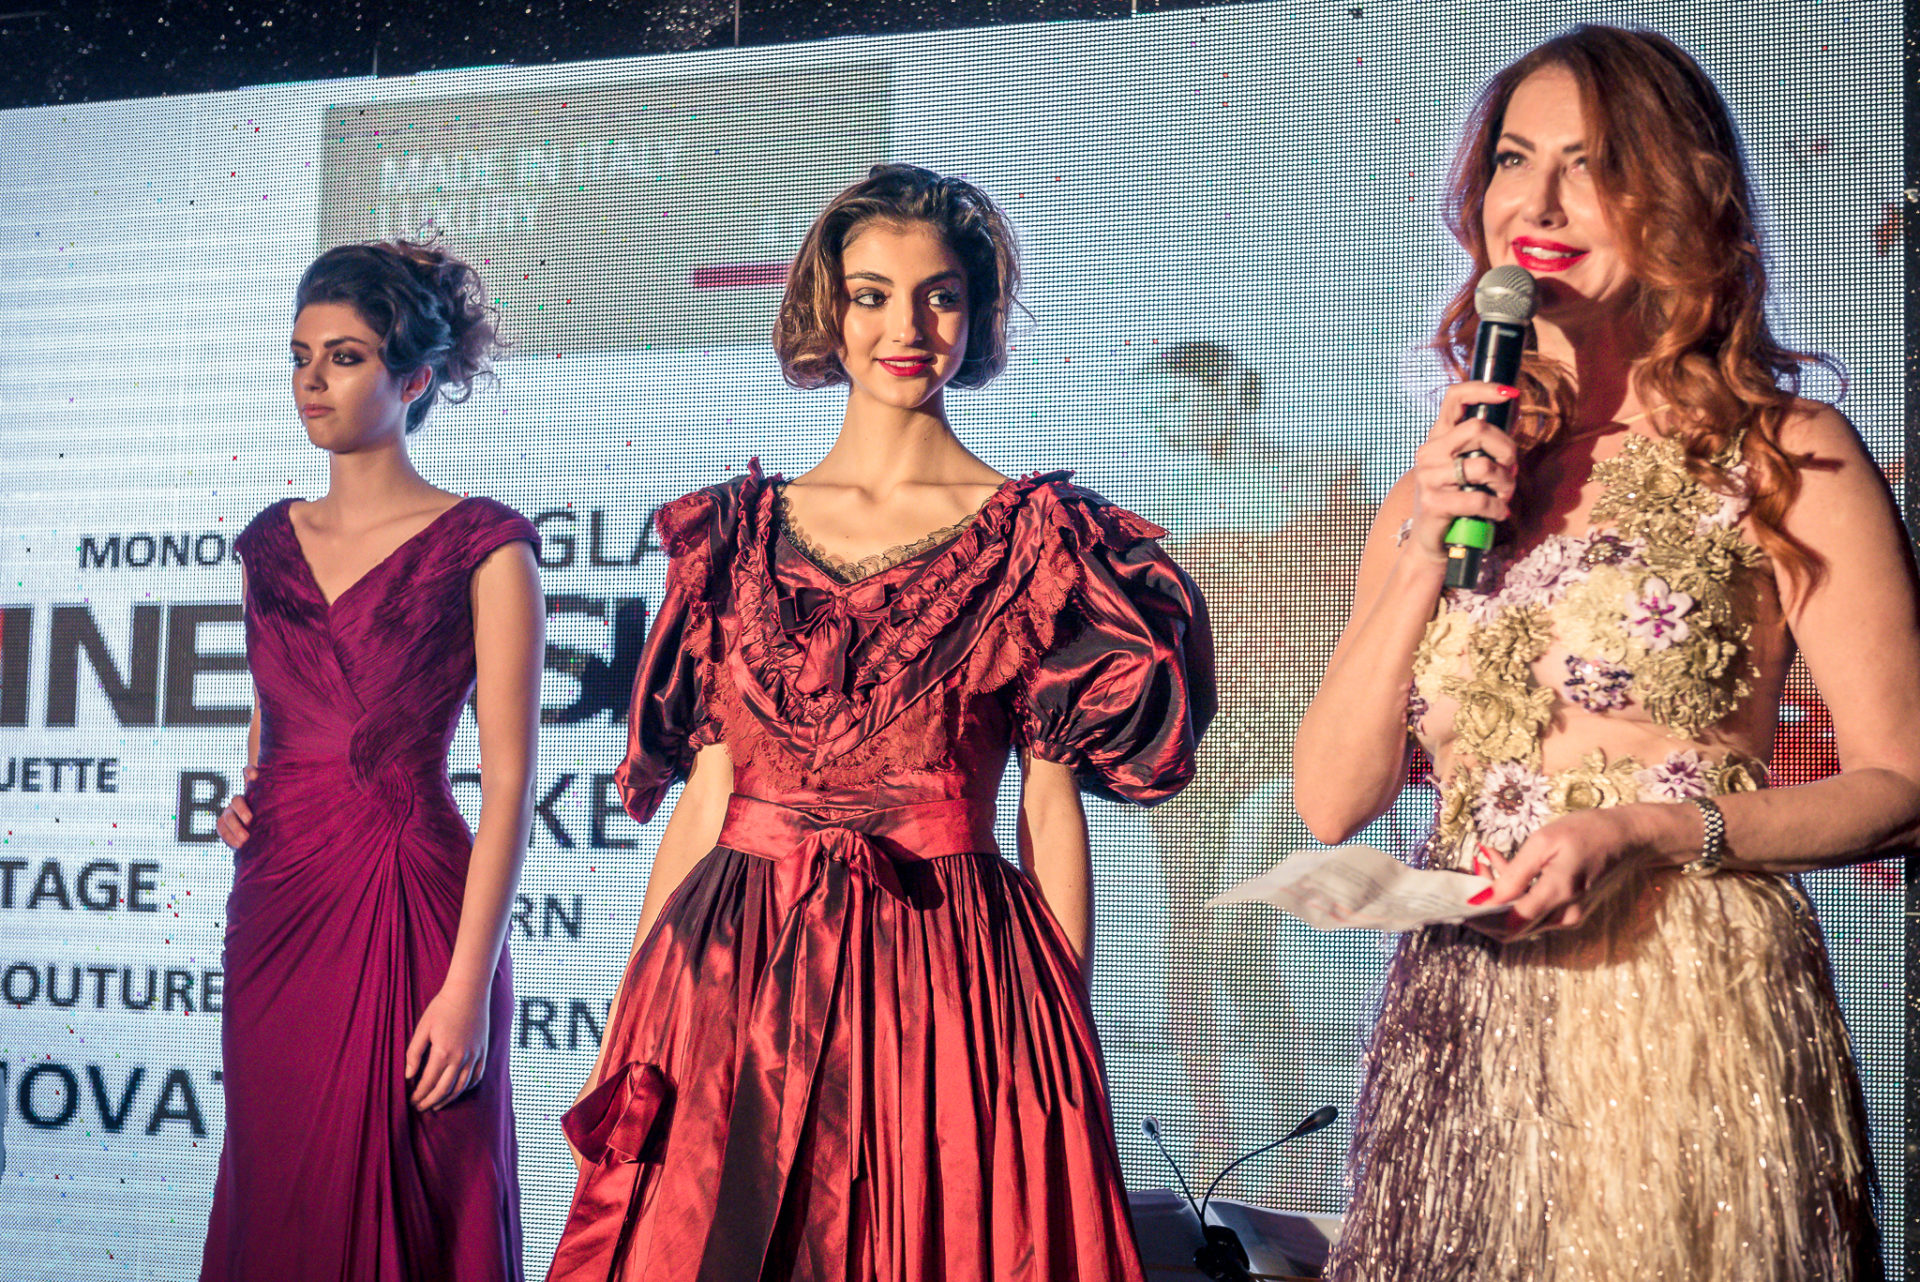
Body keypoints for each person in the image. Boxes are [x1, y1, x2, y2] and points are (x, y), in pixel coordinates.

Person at [1295, 26, 1905, 1279]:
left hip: (1687, 1003)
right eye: (1515, 161)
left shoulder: (1787, 454)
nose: (1540, 203)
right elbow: (1331, 798)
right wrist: (1420, 545)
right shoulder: (1439, 479)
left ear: (1679, 195)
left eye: (1592, 164)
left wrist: (1649, 829)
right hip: (1467, 1016)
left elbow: (1905, 782)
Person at [546, 163, 1213, 1281]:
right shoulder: (735, 534)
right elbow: (709, 793)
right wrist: (631, 1026)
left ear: (976, 313)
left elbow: (1050, 806)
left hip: (950, 974)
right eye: (872, 295)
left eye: (939, 296)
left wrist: (1064, 1044)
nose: (908, 327)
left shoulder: (1045, 541)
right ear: (829, 309)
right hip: (730, 966)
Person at [203, 239, 543, 1282]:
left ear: (415, 381)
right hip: (277, 912)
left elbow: (510, 786)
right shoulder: (267, 545)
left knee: (422, 1188)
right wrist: (246, 795)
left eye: (344, 358)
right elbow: (276, 718)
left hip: (413, 910)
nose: (313, 380)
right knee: (281, 1192)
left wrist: (467, 988)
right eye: (301, 356)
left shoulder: (487, 544)